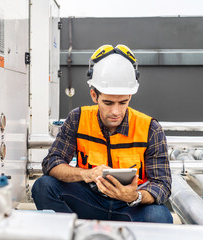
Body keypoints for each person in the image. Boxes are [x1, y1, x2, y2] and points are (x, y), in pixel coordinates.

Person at [31, 44, 173, 223]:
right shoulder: (78, 118)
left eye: (123, 102)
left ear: (130, 96)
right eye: (108, 102)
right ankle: (72, 233)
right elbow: (51, 163)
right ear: (93, 95)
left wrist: (134, 196)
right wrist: (85, 174)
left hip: (130, 207)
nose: (115, 111)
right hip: (89, 200)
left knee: (159, 216)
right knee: (44, 186)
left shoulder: (150, 128)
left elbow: (162, 185)